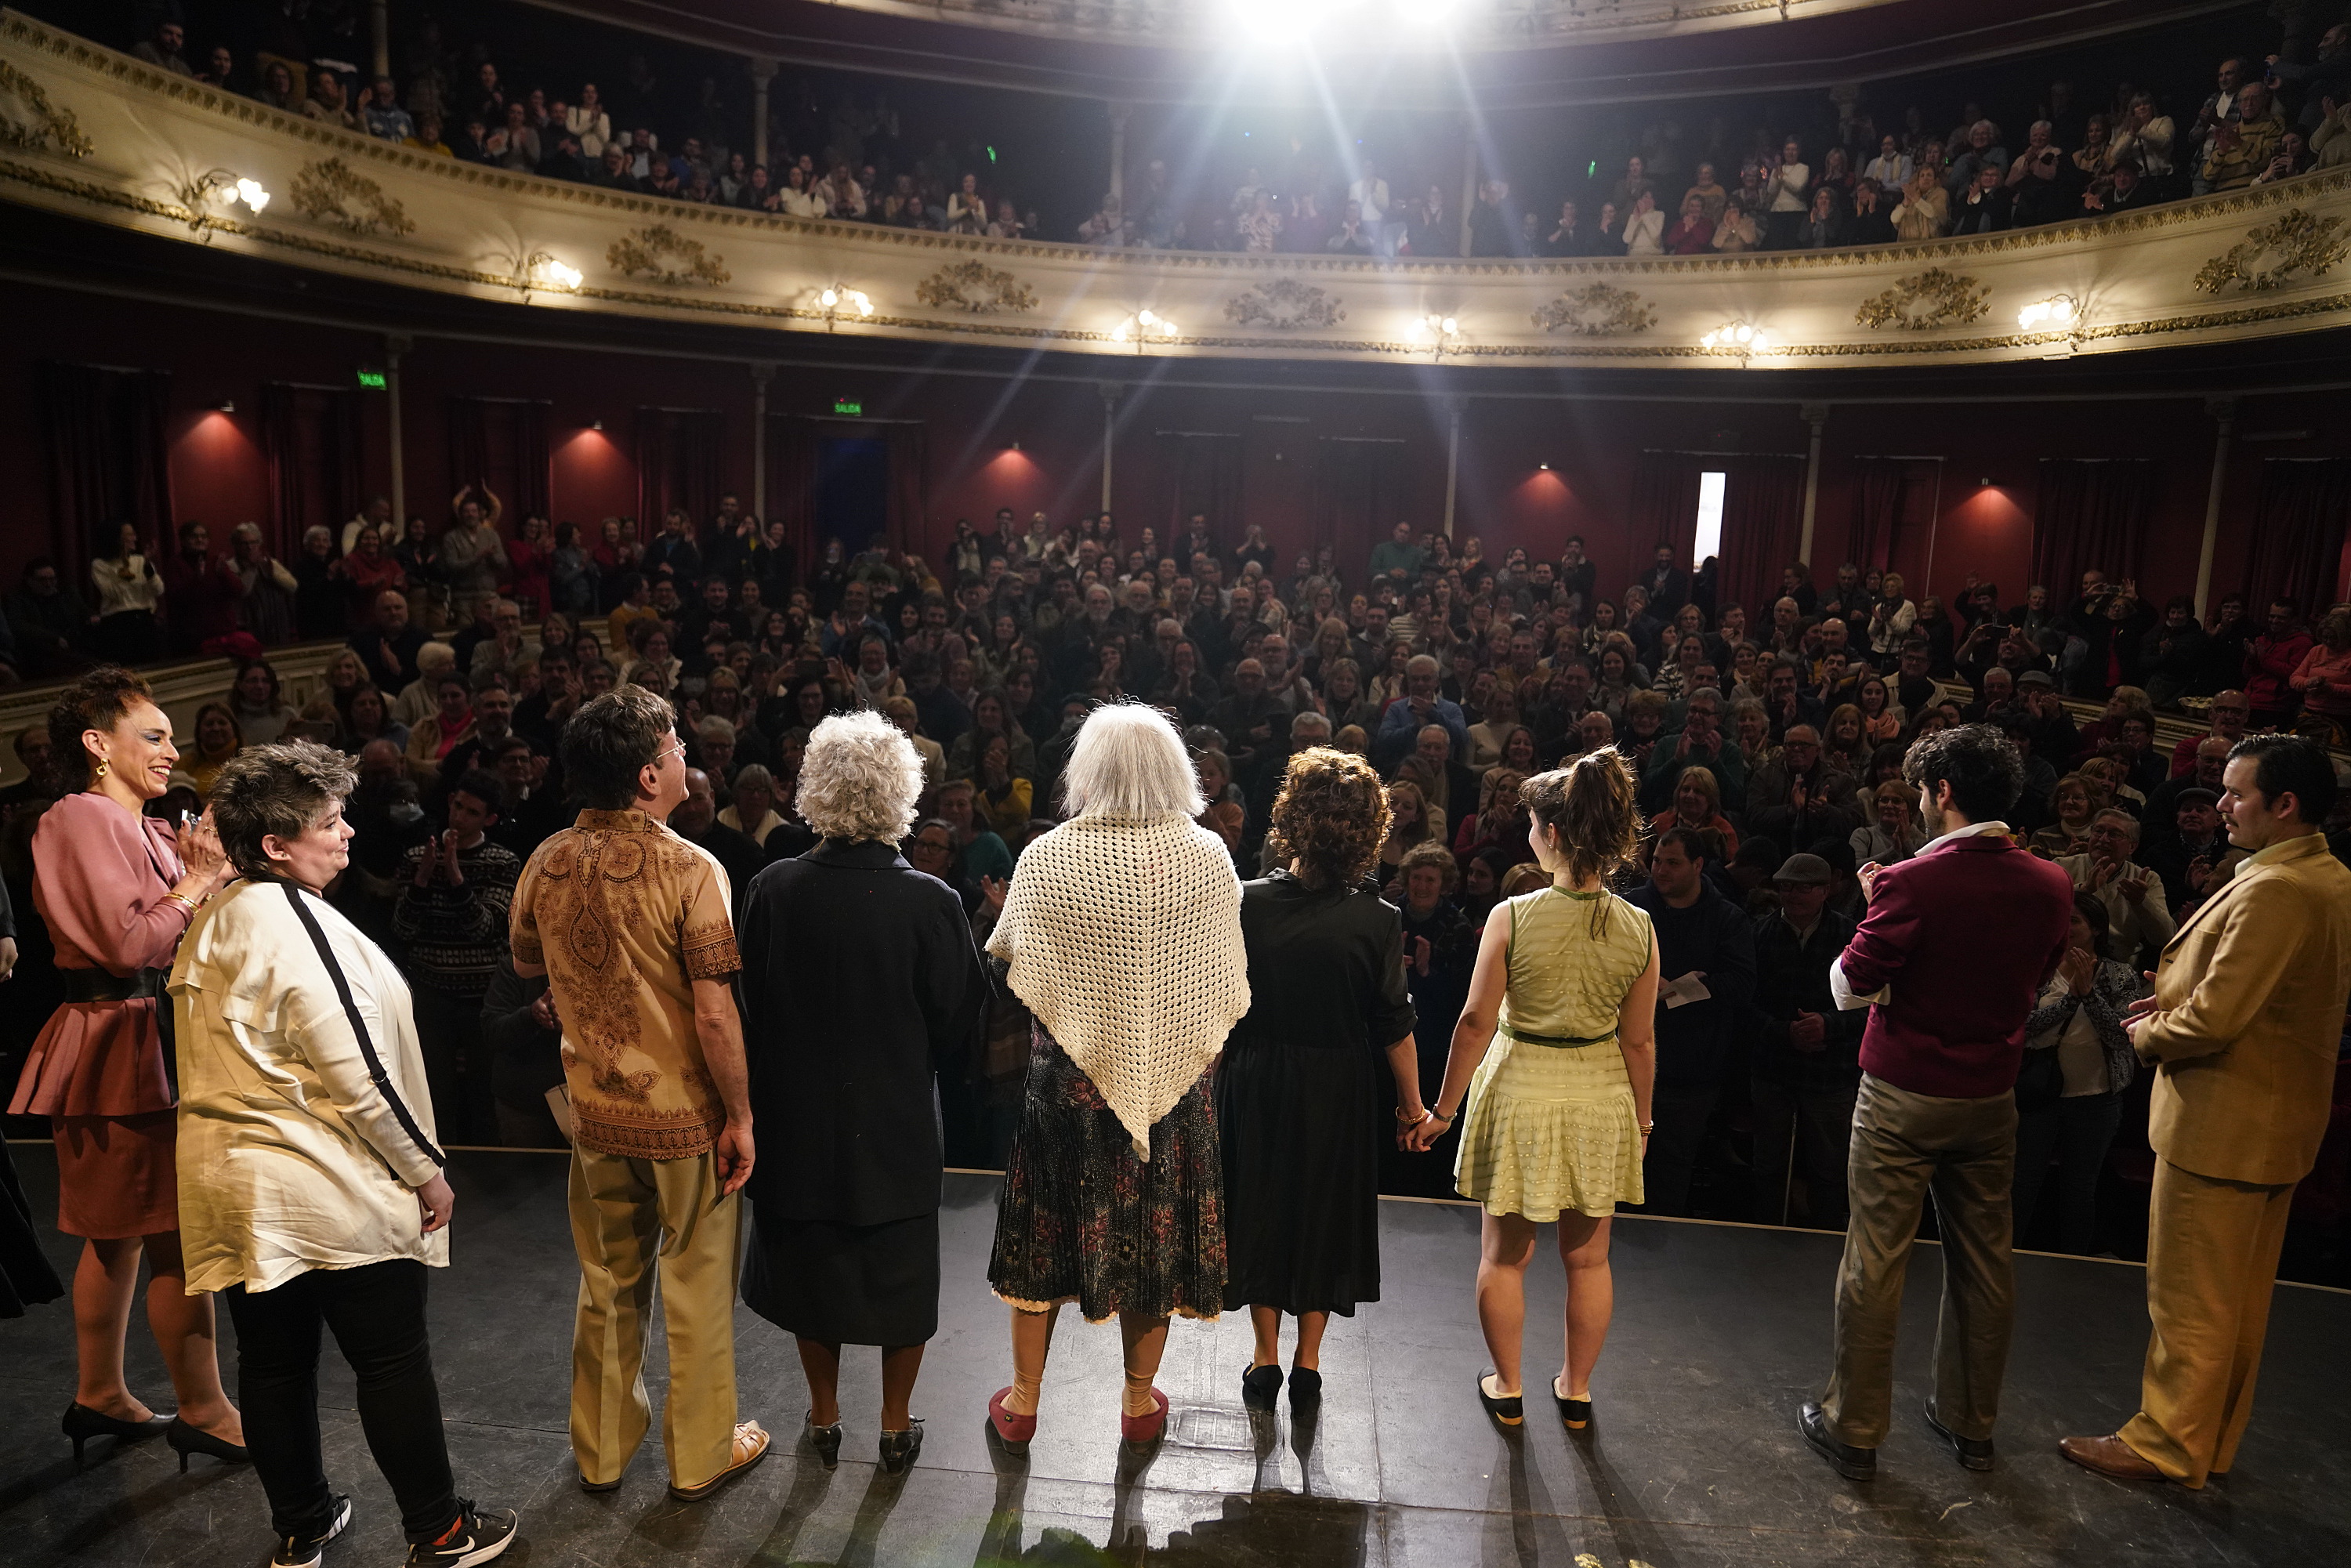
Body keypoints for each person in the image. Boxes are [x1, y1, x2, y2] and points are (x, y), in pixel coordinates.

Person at [176, 741, 518, 1568]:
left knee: (273, 1364)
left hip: (236, 1187)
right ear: (274, 846)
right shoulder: (296, 923)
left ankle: (302, 1524)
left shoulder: (213, 921)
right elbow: (361, 1075)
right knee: (390, 1357)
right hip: (319, 1178)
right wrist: (426, 1173)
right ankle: (438, 1531)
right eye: (329, 823)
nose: (348, 835)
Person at [2063, 737, 2351, 1488]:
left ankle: (2165, 1441)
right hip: (2270, 1126)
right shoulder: (2326, 874)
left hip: (2222, 1126)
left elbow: (2216, 1021)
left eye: (2235, 793)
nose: (2220, 805)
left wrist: (2146, 1028)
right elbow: (2271, 1001)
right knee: (2239, 1301)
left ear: (2284, 804)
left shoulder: (2275, 889)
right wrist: (2181, 992)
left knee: (2191, 1298)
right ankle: (2207, 1441)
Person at [508, 686, 768, 1500]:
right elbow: (716, 1012)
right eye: (678, 746)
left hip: (593, 1111)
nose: (687, 756)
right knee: (694, 1289)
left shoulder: (545, 859)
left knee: (607, 1287)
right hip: (684, 1117)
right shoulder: (691, 868)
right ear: (651, 775)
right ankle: (699, 1459)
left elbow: (524, 962)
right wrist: (743, 1115)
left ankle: (603, 1452)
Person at [1801, 726, 2074, 1483]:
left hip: (1901, 1096)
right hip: (1991, 1096)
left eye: (1921, 790)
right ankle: (1970, 1423)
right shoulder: (2052, 882)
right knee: (1987, 1262)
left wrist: (1875, 905)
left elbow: (1847, 988)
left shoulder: (1910, 881)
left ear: (1943, 791)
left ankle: (1853, 1424)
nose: (1920, 803)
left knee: (1876, 1257)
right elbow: (2038, 976)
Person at [983, 704, 1249, 1454]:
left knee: (1043, 1239)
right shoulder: (1208, 855)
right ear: (1175, 769)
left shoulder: (1046, 856)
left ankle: (1025, 1401)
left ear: (1087, 770)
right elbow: (1223, 986)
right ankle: (1138, 1402)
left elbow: (1018, 969)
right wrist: (1178, 1059)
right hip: (1174, 1087)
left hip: (1065, 1088)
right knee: (1154, 1237)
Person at [738, 712, 987, 1475]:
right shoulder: (934, 904)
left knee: (811, 1277)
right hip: (896, 1125)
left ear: (815, 788)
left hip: (798, 1126)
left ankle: (823, 1418)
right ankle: (891, 1425)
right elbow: (961, 1021)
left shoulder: (772, 889)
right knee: (899, 1281)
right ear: (901, 795)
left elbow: (750, 1005)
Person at [7, 668, 243, 1467]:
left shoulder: (145, 826)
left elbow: (185, 926)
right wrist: (202, 879)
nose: (173, 751)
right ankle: (205, 1410)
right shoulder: (79, 817)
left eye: (173, 737)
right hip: (120, 1044)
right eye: (155, 735)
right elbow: (129, 945)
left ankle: (101, 1394)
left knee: (120, 1241)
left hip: (147, 1038)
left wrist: (210, 875)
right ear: (96, 744)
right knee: (170, 1239)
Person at [1410, 751, 1659, 1432]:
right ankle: (1576, 1391)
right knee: (1590, 1258)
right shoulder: (1639, 925)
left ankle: (1510, 1385)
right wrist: (1642, 1118)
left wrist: (1442, 1110)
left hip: (1520, 1090)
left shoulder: (1513, 915)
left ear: (1551, 833)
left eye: (1530, 825)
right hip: (1601, 1095)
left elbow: (1474, 1021)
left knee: (1504, 1256)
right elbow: (1639, 1041)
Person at [1219, 748, 1422, 1414]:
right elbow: (1394, 1024)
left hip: (1257, 1078)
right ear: (1369, 830)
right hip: (1336, 1083)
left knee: (1264, 1207)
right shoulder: (1379, 920)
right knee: (1323, 1212)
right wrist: (1413, 1108)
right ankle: (1308, 1362)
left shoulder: (1246, 902)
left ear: (1292, 817)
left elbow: (1219, 1008)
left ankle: (1265, 1356)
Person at [1625, 827, 1755, 1216]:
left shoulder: (1726, 918)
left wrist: (1677, 992)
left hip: (1692, 1067)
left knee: (1671, 1167)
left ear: (1698, 865)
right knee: (1621, 1163)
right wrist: (1652, 984)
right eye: (1657, 861)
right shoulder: (1631, 909)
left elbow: (1741, 983)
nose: (1660, 871)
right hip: (1626, 1063)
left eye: (1673, 863)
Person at [2012, 894, 2146, 1255]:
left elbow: (2121, 1035)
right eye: (2061, 920)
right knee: (2022, 1183)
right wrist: (2070, 1000)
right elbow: (2019, 1027)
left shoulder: (2119, 974)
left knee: (2080, 1188)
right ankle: (2006, 1258)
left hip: (2096, 1100)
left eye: (2074, 921)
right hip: (2038, 1095)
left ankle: (2075, 1263)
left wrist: (2089, 995)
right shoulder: (2038, 966)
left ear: (2096, 929)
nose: (2065, 928)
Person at [1748, 853, 1865, 1229]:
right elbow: (1743, 1005)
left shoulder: (1851, 937)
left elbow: (1873, 1008)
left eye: (1803, 887)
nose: (1792, 894)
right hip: (1774, 1067)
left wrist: (1828, 1026)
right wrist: (1785, 1031)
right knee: (1767, 1163)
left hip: (1830, 1070)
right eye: (1785, 886)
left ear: (1825, 890)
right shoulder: (1759, 934)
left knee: (1830, 1166)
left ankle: (1826, 1238)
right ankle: (1765, 1235)